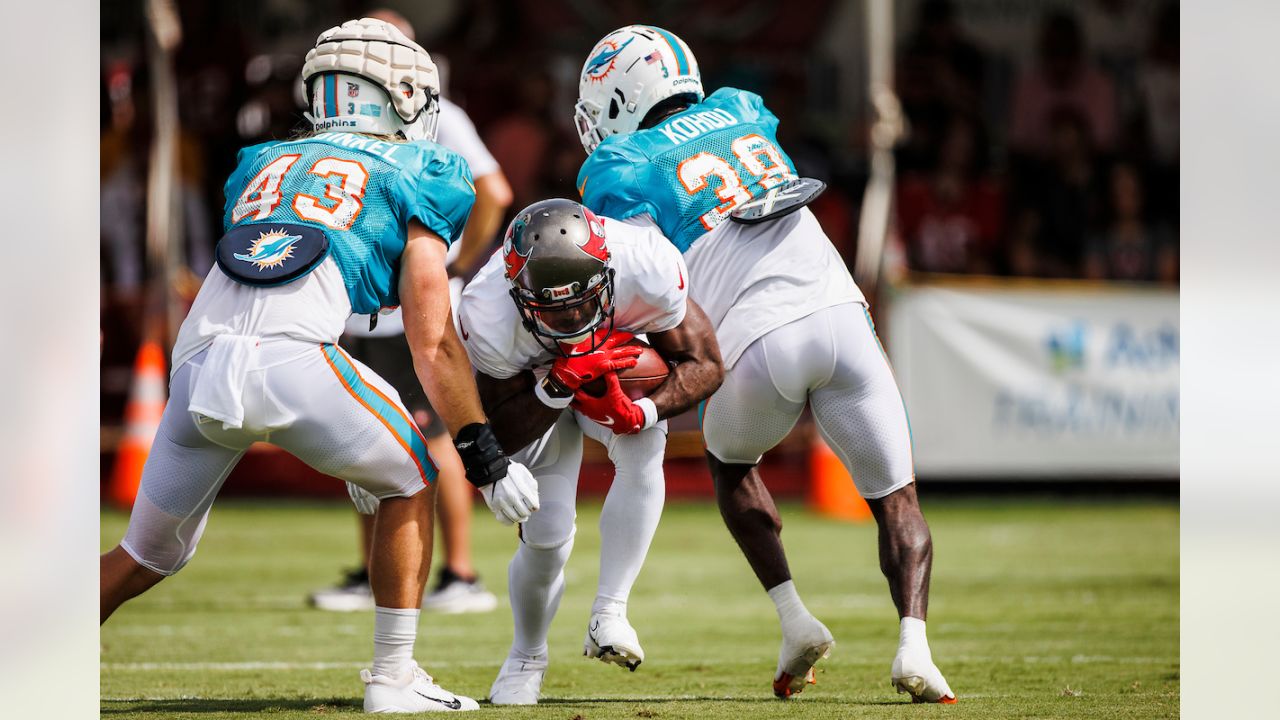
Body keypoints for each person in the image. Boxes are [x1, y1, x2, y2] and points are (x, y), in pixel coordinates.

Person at [98, 18, 541, 713]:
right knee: (411, 477)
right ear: (399, 95)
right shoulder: (419, 168)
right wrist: (483, 455)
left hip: (199, 358)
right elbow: (433, 341)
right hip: (292, 361)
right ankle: (393, 680)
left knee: (149, 554)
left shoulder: (264, 161)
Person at [573, 26, 956, 703]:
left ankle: (793, 617)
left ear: (621, 96)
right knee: (897, 500)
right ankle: (915, 647)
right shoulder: (742, 109)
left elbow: (642, 275)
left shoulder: (621, 163)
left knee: (731, 468)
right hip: (841, 316)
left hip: (754, 345)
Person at [459, 199, 723, 705]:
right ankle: (526, 656)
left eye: (581, 302)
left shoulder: (646, 262)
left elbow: (706, 363)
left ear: (607, 273)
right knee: (548, 533)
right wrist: (558, 383)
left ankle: (611, 611)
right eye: (552, 309)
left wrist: (641, 413)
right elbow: (503, 428)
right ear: (518, 294)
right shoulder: (487, 308)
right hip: (540, 392)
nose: (571, 318)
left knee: (646, 442)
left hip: (614, 379)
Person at [308, 8, 515, 615]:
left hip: (407, 306)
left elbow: (493, 190)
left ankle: (459, 572)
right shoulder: (342, 122)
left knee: (433, 439)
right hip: (361, 306)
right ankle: (377, 570)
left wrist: (453, 263)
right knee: (365, 438)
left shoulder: (435, 114)